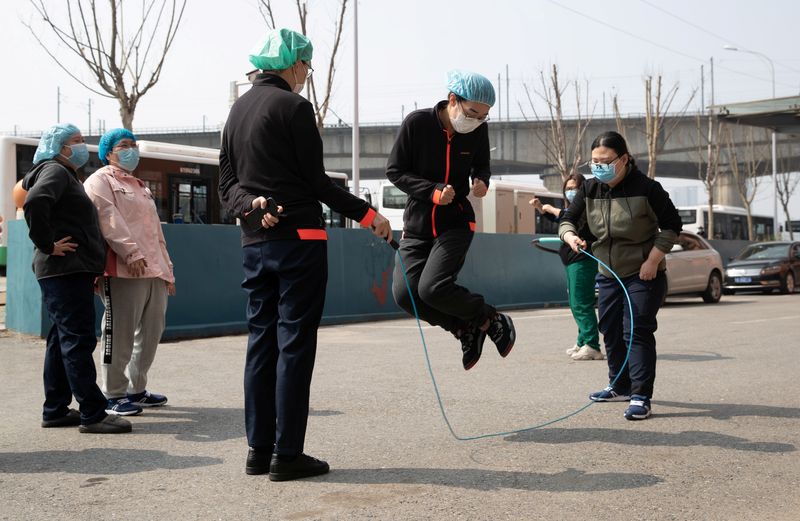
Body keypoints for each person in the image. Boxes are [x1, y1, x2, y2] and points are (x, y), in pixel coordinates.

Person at [219, 28, 392, 480]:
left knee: (261, 344)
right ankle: (287, 454)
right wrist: (369, 214)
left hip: (255, 243)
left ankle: (258, 450)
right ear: (293, 63)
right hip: (301, 243)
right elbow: (317, 183)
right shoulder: (294, 107)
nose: (306, 76)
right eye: (306, 67)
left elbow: (227, 185)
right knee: (294, 345)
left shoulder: (236, 110)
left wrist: (250, 206)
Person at [386, 70, 516, 371]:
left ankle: (490, 318)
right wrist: (431, 192)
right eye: (473, 113)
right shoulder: (417, 124)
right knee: (406, 295)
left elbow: (482, 166)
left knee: (432, 288)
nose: (476, 120)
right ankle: (464, 329)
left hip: (455, 222)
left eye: (484, 117)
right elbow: (395, 171)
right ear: (453, 100)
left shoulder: (477, 130)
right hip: (418, 226)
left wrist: (481, 180)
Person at [559, 131, 682, 420]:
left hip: (644, 273)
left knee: (636, 329)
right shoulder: (589, 189)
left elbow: (672, 226)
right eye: (594, 161)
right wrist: (570, 236)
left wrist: (653, 260)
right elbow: (567, 219)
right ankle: (619, 384)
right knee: (610, 329)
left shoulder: (648, 189)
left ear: (624, 159)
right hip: (608, 272)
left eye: (606, 161)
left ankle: (641, 396)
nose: (599, 166)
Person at [21, 123, 131, 434]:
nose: (83, 145)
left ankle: (55, 409)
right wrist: (47, 244)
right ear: (58, 145)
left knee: (61, 339)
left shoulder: (61, 173)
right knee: (78, 339)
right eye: (77, 141)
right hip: (65, 269)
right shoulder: (55, 170)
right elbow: (34, 202)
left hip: (68, 270)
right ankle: (93, 413)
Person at [83, 128, 175, 417]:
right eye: (123, 145)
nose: (131, 150)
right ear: (108, 152)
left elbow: (155, 231)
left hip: (153, 270)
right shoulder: (100, 181)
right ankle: (114, 394)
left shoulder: (140, 185)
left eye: (134, 145)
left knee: (151, 332)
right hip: (122, 268)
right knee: (118, 332)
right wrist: (130, 252)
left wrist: (167, 270)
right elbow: (107, 218)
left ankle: (137, 389)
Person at [531, 173, 602, 361]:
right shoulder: (571, 211)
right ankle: (582, 341)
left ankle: (592, 345)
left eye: (575, 188)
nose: (572, 192)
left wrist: (553, 210)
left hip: (583, 259)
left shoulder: (587, 208)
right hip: (572, 261)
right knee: (575, 302)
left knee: (581, 303)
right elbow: (564, 219)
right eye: (568, 189)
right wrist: (542, 209)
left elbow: (569, 218)